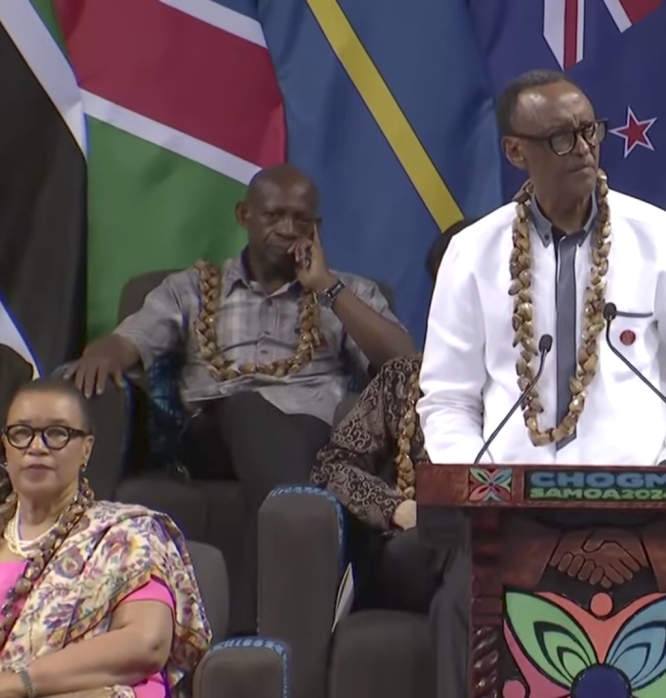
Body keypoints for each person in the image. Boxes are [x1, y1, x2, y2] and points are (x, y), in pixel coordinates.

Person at [417, 69, 666, 698]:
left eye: (590, 131)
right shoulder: (472, 253)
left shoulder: (663, 240)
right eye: (561, 138)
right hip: (512, 512)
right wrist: (478, 483)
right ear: (517, 152)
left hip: (645, 510)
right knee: (457, 606)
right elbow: (447, 398)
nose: (584, 149)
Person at [64, 163, 413, 511]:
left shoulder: (349, 291)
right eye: (274, 216)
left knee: (284, 432)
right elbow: (129, 340)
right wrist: (104, 354)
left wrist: (327, 288)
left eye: (301, 219)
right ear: (244, 215)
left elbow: (404, 362)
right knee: (247, 405)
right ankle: (308, 516)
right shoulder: (191, 289)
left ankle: (297, 520)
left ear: (316, 227)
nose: (288, 229)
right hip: (213, 437)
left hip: (313, 434)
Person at [0, 377, 210, 698]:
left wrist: (19, 684)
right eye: (21, 433)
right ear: (6, 446)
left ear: (86, 449)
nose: (36, 447)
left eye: (57, 433)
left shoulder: (128, 534)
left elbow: (145, 643)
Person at [311, 217, 475, 612]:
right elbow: (333, 467)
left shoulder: (555, 386)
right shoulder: (404, 379)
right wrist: (396, 509)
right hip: (421, 548)